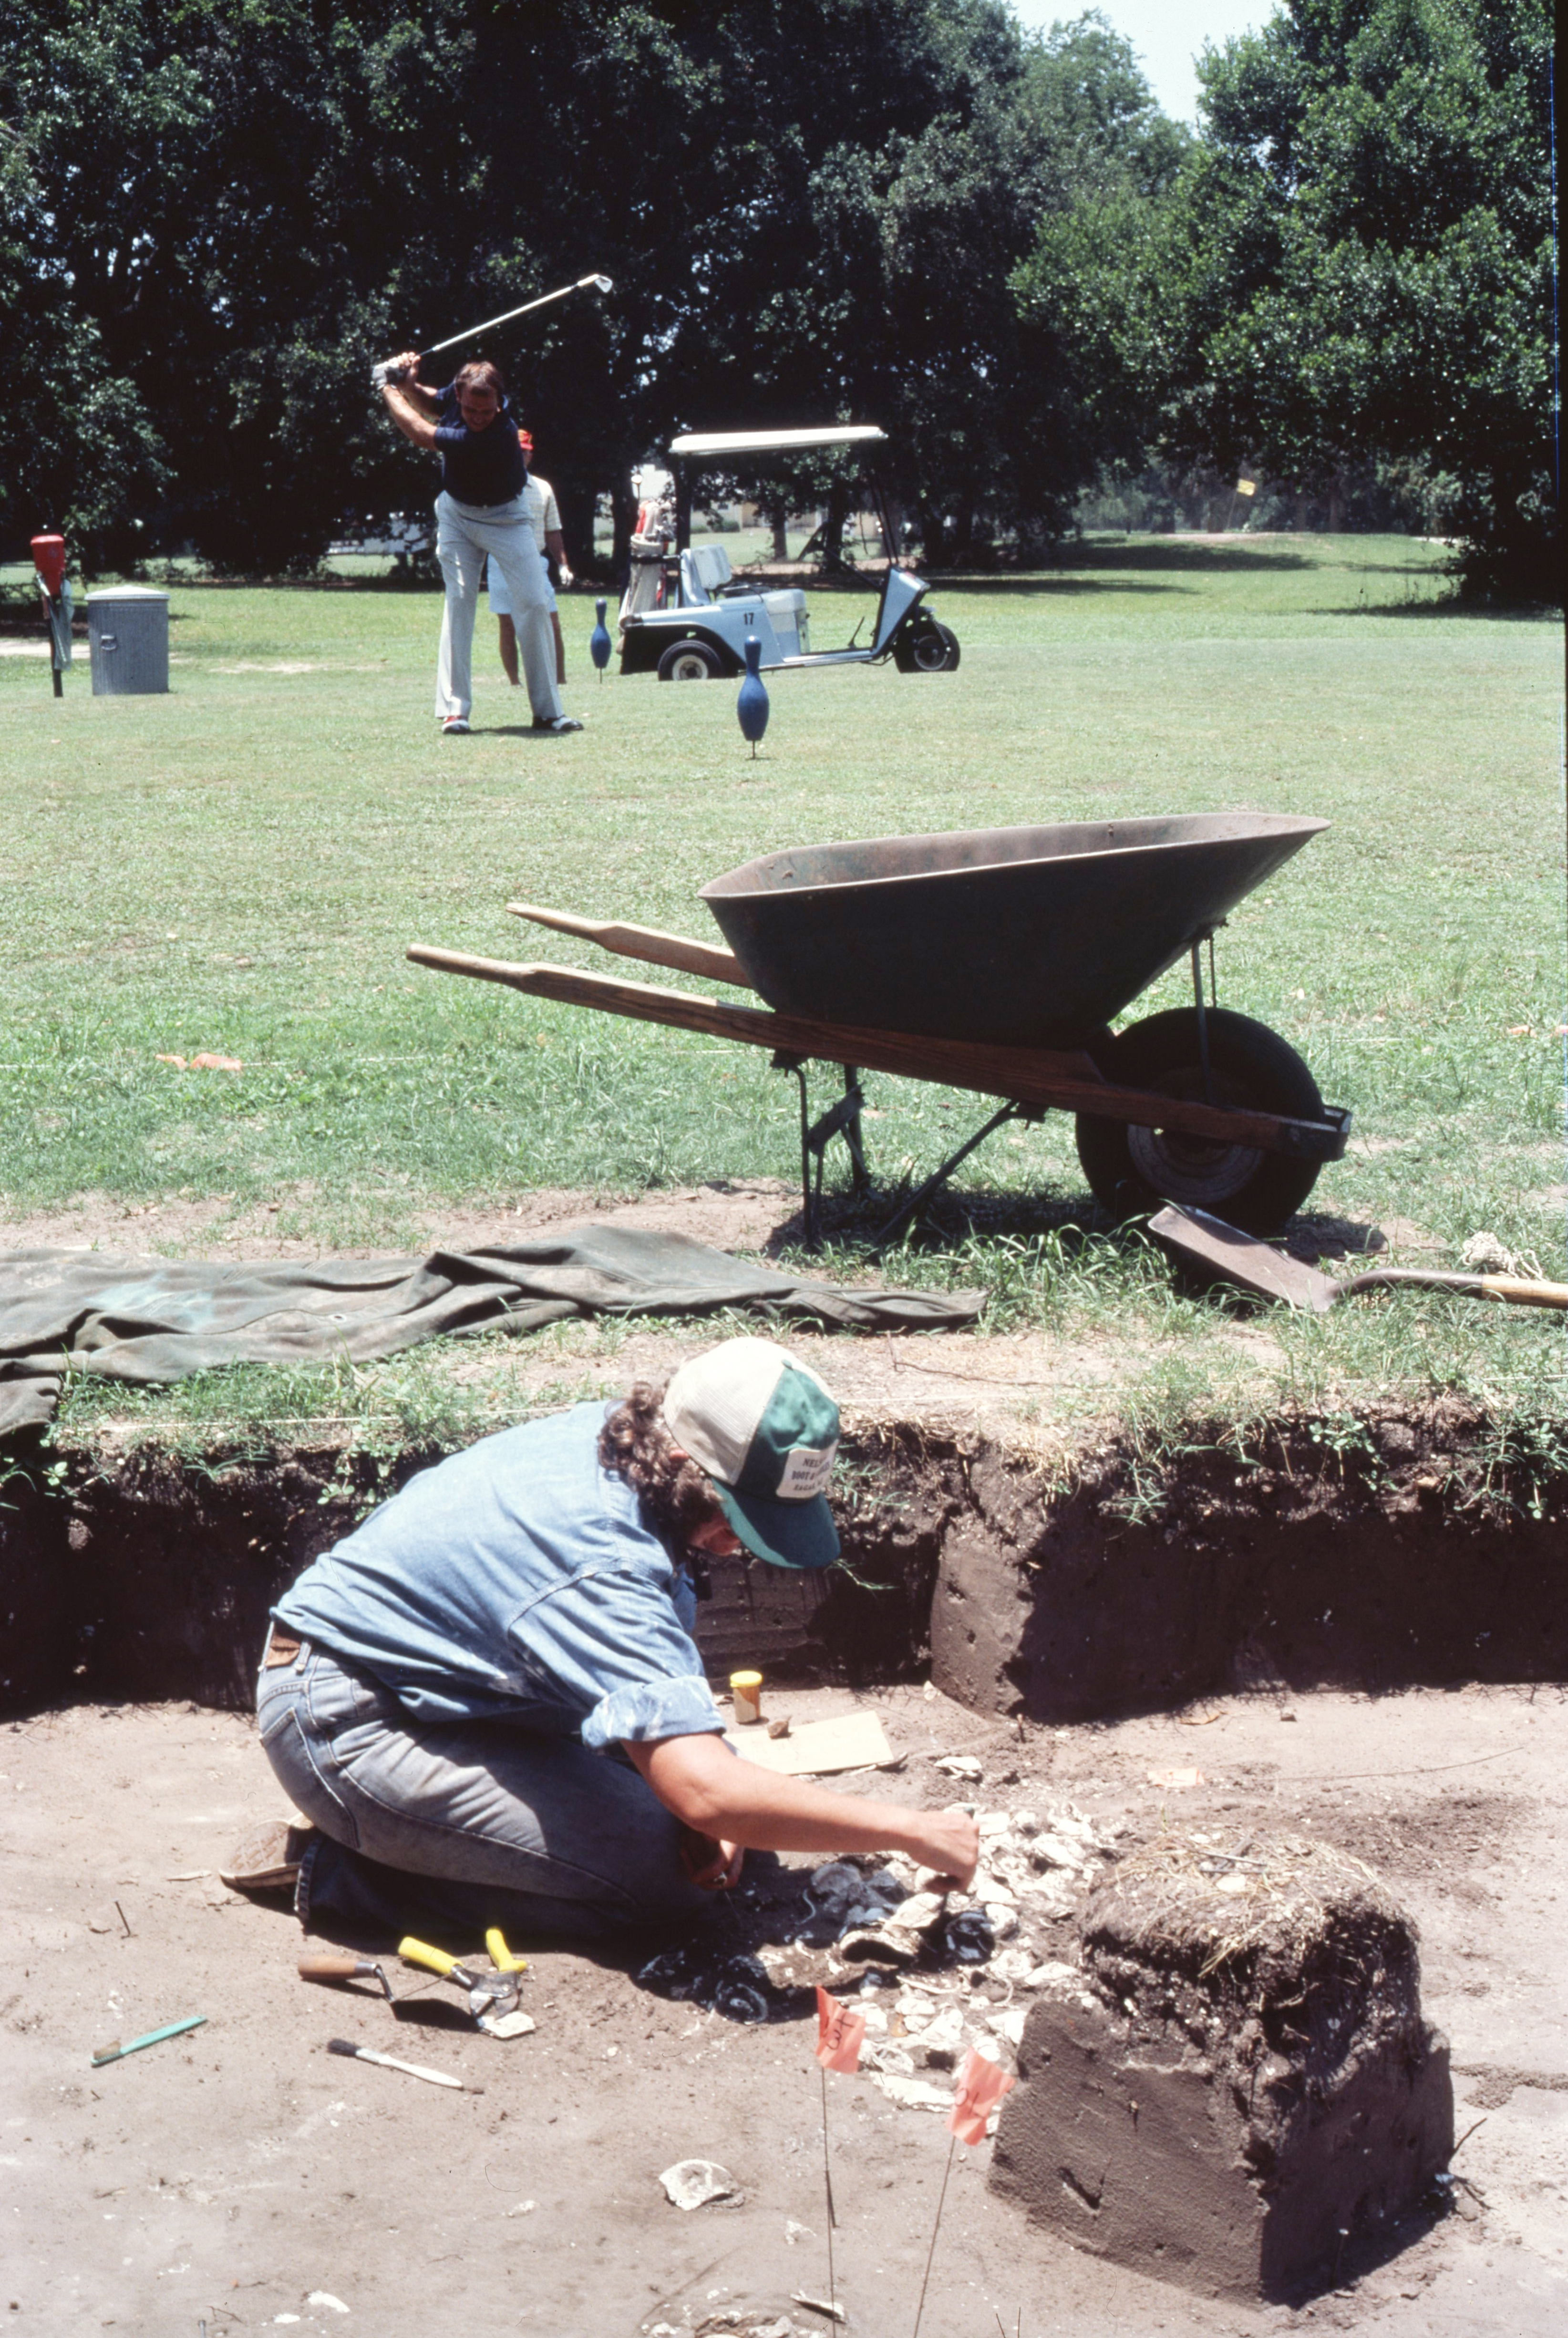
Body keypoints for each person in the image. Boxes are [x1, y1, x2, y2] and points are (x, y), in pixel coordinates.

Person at [223, 1338, 978, 1941]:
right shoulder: (603, 1558)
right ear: (687, 1462)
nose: (732, 1548)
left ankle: (429, 1836)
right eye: (733, 1519)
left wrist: (711, 1804)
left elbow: (683, 1755)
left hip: (456, 1689)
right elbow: (707, 1789)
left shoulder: (632, 1443)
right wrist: (909, 1830)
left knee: (719, 1835)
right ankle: (349, 1875)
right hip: (346, 1719)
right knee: (663, 1885)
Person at [378, 353, 580, 737]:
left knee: (535, 602)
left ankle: (548, 710)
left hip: (508, 517)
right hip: (457, 515)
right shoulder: (456, 398)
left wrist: (387, 389)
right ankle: (456, 710)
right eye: (470, 408)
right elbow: (429, 400)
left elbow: (422, 434)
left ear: (499, 404)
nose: (477, 416)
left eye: (486, 410)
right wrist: (408, 383)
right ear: (460, 393)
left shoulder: (497, 433)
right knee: (460, 600)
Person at [489, 429, 569, 689]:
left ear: (530, 456)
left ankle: (560, 680)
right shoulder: (493, 484)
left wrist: (564, 564)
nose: (520, 456)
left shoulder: (543, 488)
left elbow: (553, 530)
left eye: (525, 452)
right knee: (508, 623)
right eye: (516, 452)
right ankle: (514, 683)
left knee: (552, 620)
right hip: (501, 562)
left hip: (535, 561)